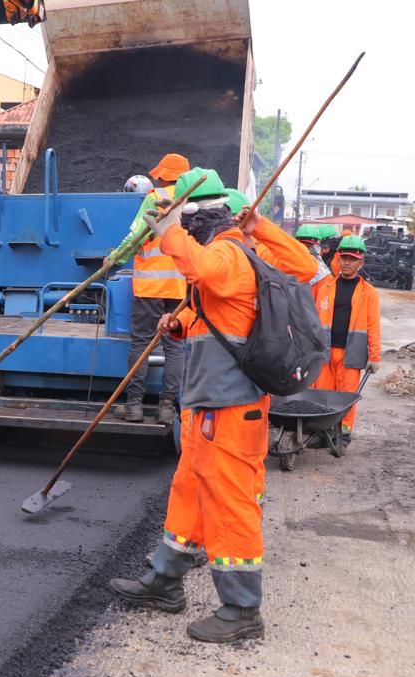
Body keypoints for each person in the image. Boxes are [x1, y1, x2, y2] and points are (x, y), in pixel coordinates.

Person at [109, 167, 316, 643]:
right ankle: (164, 580)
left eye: (184, 220)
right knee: (189, 493)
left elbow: (215, 271)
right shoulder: (231, 253)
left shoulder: (227, 252)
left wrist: (172, 234)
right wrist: (179, 323)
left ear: (197, 218)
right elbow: (216, 308)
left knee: (230, 504)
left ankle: (242, 610)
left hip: (230, 408)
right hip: (207, 404)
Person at [107, 153, 191, 425]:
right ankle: (167, 407)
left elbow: (136, 235)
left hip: (150, 286)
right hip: (179, 286)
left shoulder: (155, 197)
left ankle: (134, 407)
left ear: (164, 174)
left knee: (142, 343)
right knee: (174, 346)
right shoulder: (191, 201)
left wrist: (115, 258)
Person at [312, 235, 381, 446]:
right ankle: (322, 433)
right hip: (325, 352)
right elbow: (313, 320)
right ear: (338, 259)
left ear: (361, 262)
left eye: (352, 259)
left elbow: (373, 326)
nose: (347, 263)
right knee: (322, 395)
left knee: (346, 396)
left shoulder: (368, 293)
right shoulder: (325, 287)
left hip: (351, 354)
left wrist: (375, 355)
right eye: (344, 258)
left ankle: (343, 434)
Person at [293, 224, 333, 291]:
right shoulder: (286, 263)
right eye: (302, 246)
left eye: (309, 246)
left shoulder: (323, 275)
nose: (305, 250)